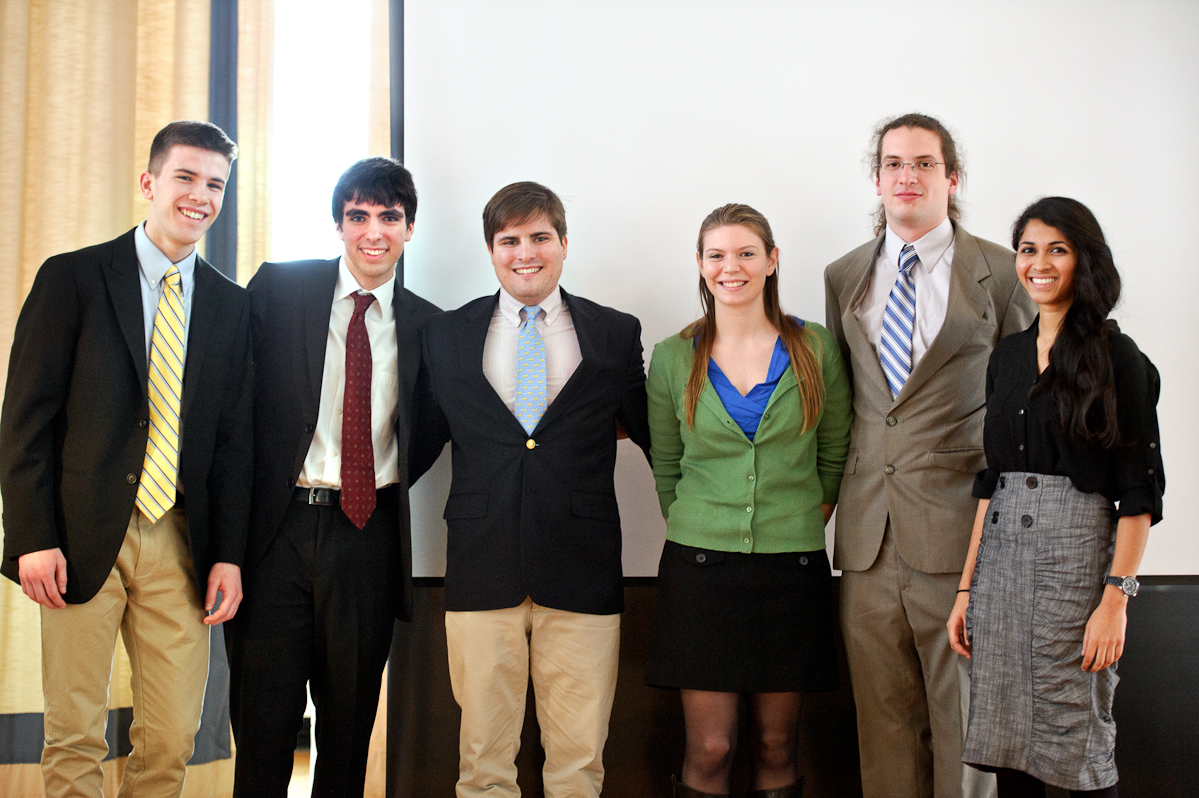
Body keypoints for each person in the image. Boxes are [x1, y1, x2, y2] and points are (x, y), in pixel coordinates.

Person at [0, 120, 249, 797]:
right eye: (186, 178)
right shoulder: (72, 279)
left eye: (215, 184)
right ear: (149, 183)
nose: (200, 195)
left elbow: (233, 444)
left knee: (171, 735)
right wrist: (32, 537)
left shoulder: (232, 307)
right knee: (75, 731)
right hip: (79, 538)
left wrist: (228, 553)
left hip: (181, 542)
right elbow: (26, 420)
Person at [409, 181, 651, 798]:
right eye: (509, 240)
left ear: (564, 244)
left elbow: (655, 439)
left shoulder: (614, 334)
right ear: (491, 250)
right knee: (484, 765)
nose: (526, 252)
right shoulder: (446, 335)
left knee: (577, 765)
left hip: (583, 568)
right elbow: (417, 446)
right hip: (480, 566)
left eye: (540, 237)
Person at [824, 113, 1036, 798]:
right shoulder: (843, 276)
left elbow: (1028, 412)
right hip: (865, 539)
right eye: (891, 163)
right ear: (876, 178)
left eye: (921, 162)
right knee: (881, 728)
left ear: (952, 177)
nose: (905, 175)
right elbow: (851, 402)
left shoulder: (1002, 273)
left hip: (963, 538)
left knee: (966, 726)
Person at [224, 157, 439, 797]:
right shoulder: (278, 291)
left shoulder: (432, 326)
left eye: (389, 218)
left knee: (347, 735)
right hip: (276, 535)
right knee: (263, 731)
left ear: (409, 229)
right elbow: (234, 416)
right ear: (339, 224)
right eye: (359, 217)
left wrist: (374, 480)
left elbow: (429, 433)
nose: (374, 232)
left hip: (366, 537)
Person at [946, 197, 1163, 798]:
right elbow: (993, 482)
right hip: (1002, 568)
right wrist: (967, 590)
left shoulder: (1117, 357)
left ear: (1084, 261)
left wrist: (1115, 601)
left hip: (1077, 572)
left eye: (1057, 250)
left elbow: (1138, 492)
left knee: (1081, 747)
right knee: (1009, 747)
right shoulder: (1008, 357)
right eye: (1027, 250)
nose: (1039, 264)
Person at [646, 203, 853, 798]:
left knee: (776, 745)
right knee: (710, 749)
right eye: (716, 255)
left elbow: (835, 449)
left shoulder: (813, 347)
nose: (730, 267)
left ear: (771, 261)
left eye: (745, 253)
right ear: (700, 265)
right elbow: (665, 463)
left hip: (792, 571)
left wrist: (804, 519)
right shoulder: (671, 356)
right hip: (699, 574)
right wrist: (696, 519)